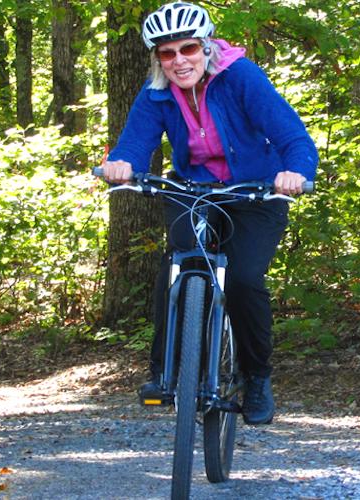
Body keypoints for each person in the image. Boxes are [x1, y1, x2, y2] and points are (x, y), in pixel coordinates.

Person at [99, 2, 318, 425]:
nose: (179, 60)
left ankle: (256, 377)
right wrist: (121, 163)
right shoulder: (157, 92)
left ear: (206, 48)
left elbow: (291, 134)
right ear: (157, 58)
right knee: (178, 263)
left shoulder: (241, 78)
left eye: (188, 49)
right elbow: (134, 142)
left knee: (243, 278)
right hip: (194, 189)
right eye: (167, 53)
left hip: (257, 191)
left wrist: (296, 173)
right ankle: (165, 373)